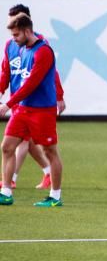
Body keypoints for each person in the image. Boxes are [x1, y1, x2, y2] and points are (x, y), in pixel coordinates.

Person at [0, 13, 64, 207]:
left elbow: (31, 84)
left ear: (28, 31)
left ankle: (55, 197)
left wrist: (8, 104)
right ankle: (6, 192)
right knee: (7, 147)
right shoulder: (19, 49)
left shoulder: (43, 52)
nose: (14, 39)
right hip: (22, 110)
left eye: (17, 34)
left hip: (42, 111)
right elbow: (9, 74)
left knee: (49, 151)